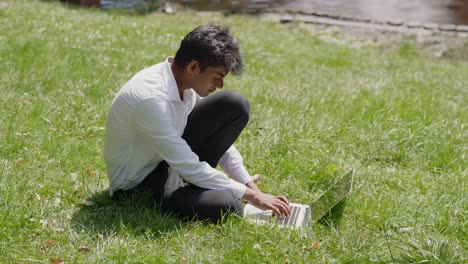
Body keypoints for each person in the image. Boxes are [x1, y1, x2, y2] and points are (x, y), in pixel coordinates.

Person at [104, 24, 291, 222]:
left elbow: (215, 134)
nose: (219, 85)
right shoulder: (151, 99)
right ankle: (197, 189)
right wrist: (249, 196)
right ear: (193, 66)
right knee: (229, 206)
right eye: (217, 77)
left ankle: (198, 187)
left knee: (234, 104)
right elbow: (186, 163)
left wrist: (250, 186)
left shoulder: (186, 83)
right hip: (140, 185)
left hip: (170, 162)